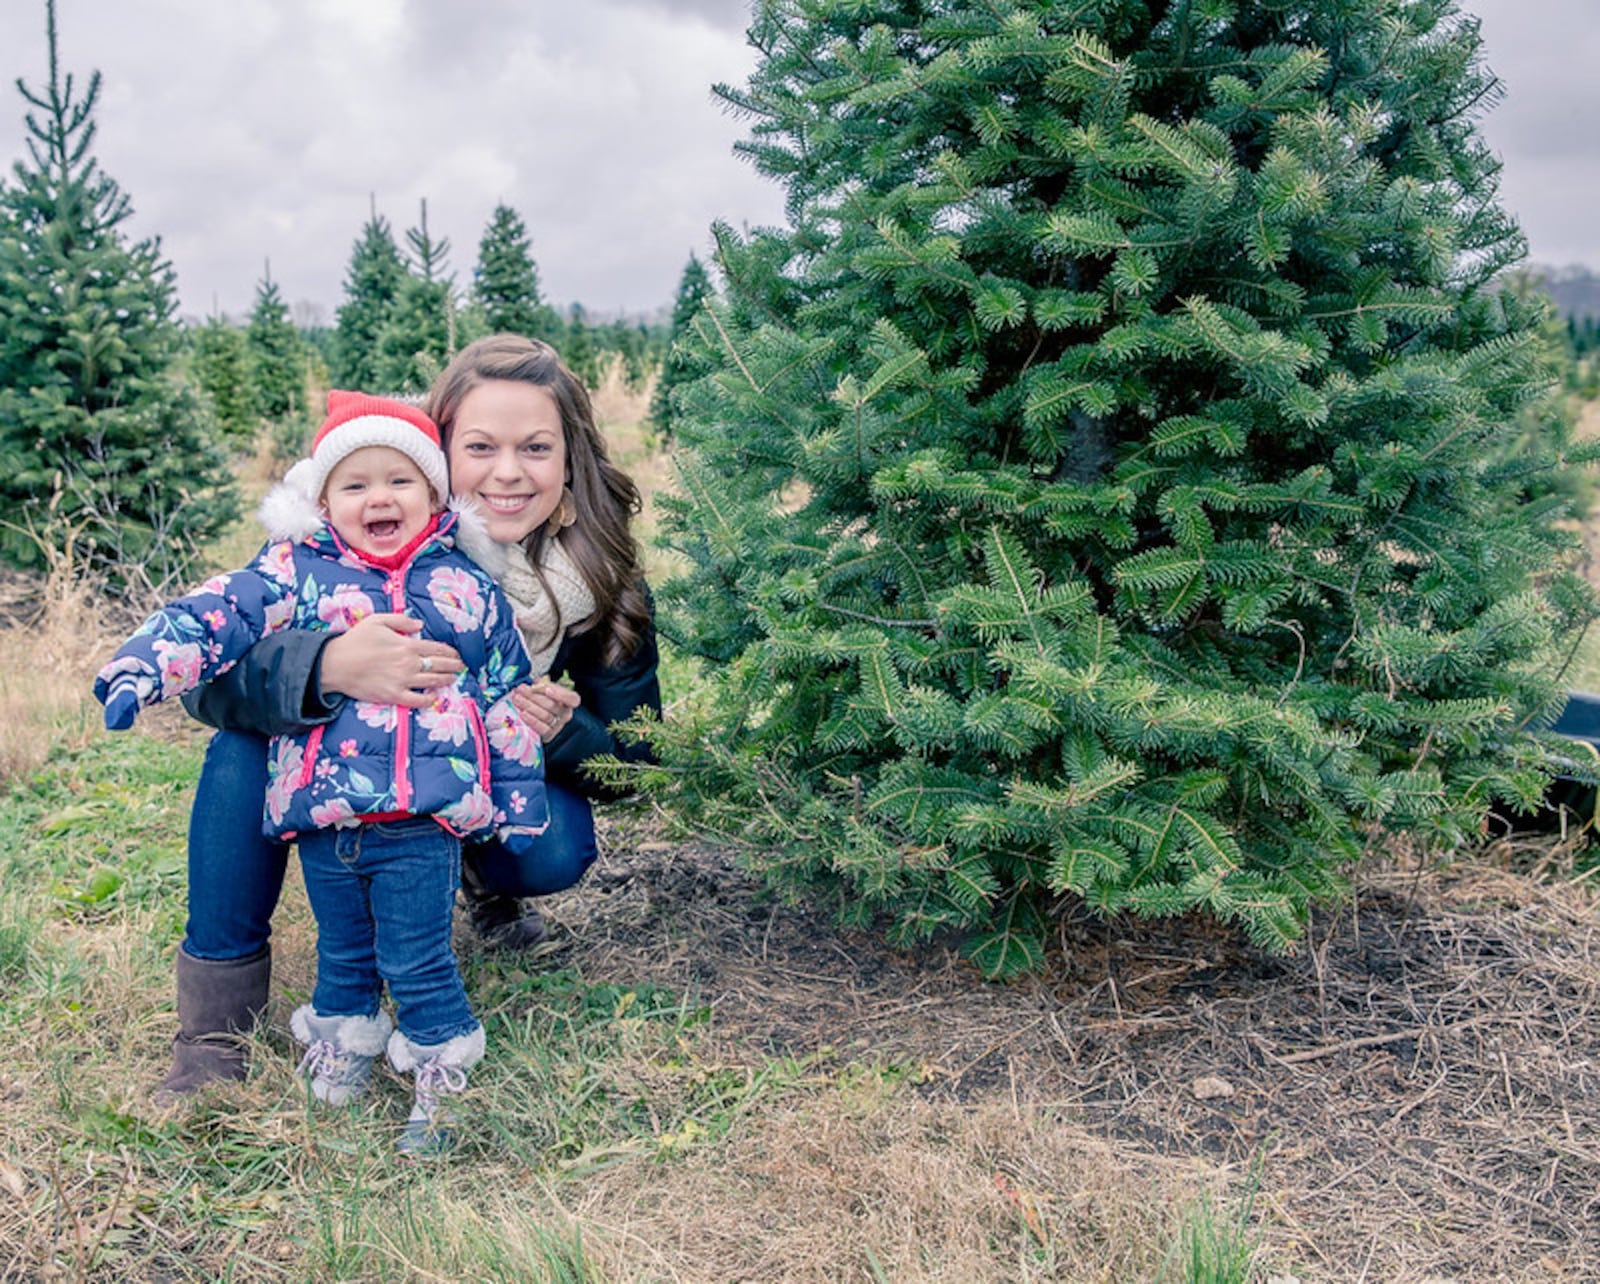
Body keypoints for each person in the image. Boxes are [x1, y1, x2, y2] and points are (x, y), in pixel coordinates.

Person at [155, 336, 661, 1103]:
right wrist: (326, 667)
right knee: (239, 751)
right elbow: (210, 688)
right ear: (436, 451)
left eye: (536, 447)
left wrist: (565, 731)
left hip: (465, 760)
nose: (507, 473)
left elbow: (637, 757)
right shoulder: (343, 527)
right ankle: (214, 1028)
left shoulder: (593, 571)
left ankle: (471, 880)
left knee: (556, 847)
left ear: (570, 460)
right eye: (479, 447)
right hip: (337, 757)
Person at [98, 391, 554, 1151]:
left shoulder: (464, 588)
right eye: (355, 484)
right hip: (325, 818)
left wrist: (515, 799)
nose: (379, 496)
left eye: (400, 481)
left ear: (436, 494)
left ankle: (444, 1070)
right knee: (344, 947)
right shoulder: (293, 576)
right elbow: (213, 614)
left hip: (421, 818)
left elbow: (502, 696)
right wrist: (143, 668)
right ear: (322, 500)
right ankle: (345, 1036)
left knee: (414, 954)